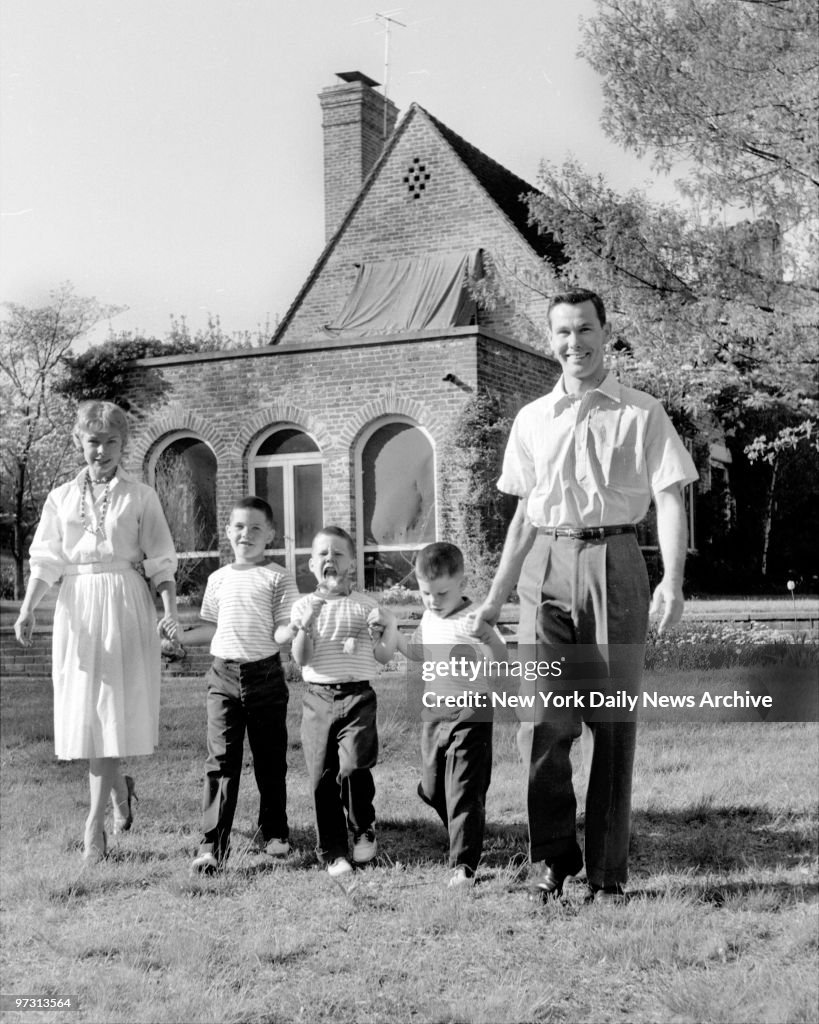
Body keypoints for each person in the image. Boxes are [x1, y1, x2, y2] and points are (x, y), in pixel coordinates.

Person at [468, 288, 699, 905]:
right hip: (543, 567)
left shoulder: (643, 412)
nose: (576, 342)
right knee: (541, 724)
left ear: (605, 332)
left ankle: (606, 872)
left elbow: (672, 496)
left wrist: (672, 582)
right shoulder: (531, 420)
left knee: (613, 726)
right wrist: (493, 598)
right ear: (551, 339)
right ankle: (553, 858)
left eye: (586, 329)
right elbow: (522, 517)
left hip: (615, 561)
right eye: (564, 332)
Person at [14, 400, 179, 863]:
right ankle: (118, 790)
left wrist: (169, 614)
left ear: (122, 444)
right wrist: (28, 609)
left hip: (125, 602)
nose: (101, 450)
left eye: (110, 441)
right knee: (91, 710)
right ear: (78, 442)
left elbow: (160, 560)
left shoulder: (140, 495)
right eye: (93, 441)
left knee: (113, 706)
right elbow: (47, 559)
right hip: (79, 606)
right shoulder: (60, 498)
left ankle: (94, 826)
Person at [182, 496, 300, 875]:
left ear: (270, 535)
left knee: (269, 760)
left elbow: (282, 629)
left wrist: (294, 628)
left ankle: (275, 831)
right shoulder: (218, 579)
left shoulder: (278, 577)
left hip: (265, 677)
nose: (245, 534)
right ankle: (212, 844)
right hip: (223, 677)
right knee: (220, 761)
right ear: (227, 532)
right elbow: (211, 629)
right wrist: (178, 639)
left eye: (254, 528)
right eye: (238, 527)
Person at [287, 526, 398, 881]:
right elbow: (301, 659)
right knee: (321, 777)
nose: (330, 559)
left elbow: (381, 656)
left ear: (351, 563)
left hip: (358, 696)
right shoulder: (304, 606)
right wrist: (305, 627)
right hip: (318, 697)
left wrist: (385, 627)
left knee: (353, 766)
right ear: (310, 565)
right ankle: (333, 851)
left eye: (337, 554)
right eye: (322, 554)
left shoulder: (367, 606)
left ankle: (363, 827)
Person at [397, 542, 506, 888]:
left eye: (441, 592)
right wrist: (389, 635)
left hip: (471, 711)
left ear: (462, 581)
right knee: (432, 789)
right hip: (434, 712)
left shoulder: (473, 619)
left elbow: (500, 661)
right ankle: (466, 828)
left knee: (463, 789)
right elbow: (416, 651)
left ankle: (463, 865)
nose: (433, 600)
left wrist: (487, 636)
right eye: (425, 593)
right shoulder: (429, 617)